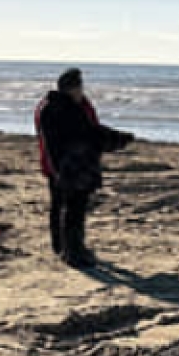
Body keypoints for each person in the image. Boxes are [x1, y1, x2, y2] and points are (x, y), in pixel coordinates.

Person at [34, 68, 134, 267]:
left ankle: (64, 248)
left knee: (63, 207)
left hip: (62, 164)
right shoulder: (62, 108)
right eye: (79, 87)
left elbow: (89, 130)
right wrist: (118, 139)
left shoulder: (53, 106)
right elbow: (88, 132)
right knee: (72, 209)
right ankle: (72, 251)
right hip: (69, 166)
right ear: (73, 88)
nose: (82, 91)